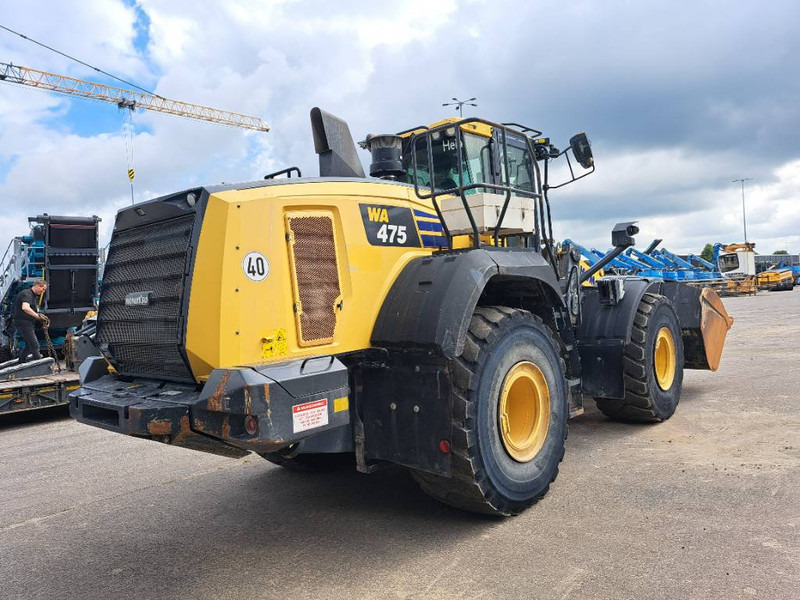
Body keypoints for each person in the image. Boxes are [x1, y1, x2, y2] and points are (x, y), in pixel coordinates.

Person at [12, 279, 48, 363]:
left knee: (29, 345)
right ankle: (40, 365)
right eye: (43, 289)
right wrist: (37, 316)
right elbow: (25, 307)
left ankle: (21, 362)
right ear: (37, 286)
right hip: (23, 323)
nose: (43, 291)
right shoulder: (27, 294)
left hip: (27, 323)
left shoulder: (33, 296)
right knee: (35, 345)